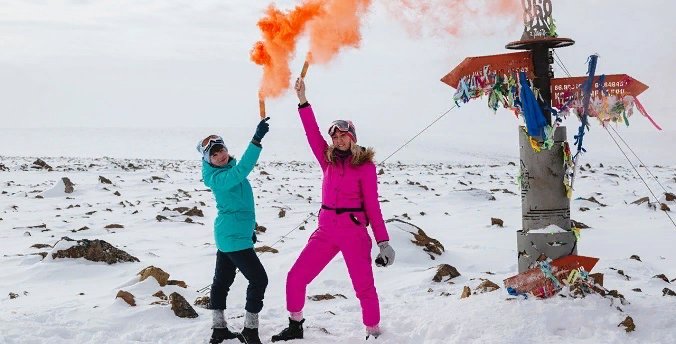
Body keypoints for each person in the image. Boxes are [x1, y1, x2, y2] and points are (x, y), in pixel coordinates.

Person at [271, 78, 396, 341]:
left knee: (364, 287)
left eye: (343, 136)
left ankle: (373, 331)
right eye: (335, 137)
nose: (338, 140)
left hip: (353, 231)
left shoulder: (365, 166)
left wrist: (383, 242)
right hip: (326, 230)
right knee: (295, 277)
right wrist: (303, 100)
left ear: (352, 137)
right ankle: (295, 325)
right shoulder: (326, 160)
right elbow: (311, 133)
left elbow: (372, 206)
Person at [197, 118, 270, 344]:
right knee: (259, 280)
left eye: (222, 150)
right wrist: (256, 140)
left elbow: (242, 205)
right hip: (232, 237)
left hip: (232, 235)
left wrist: (250, 230)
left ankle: (219, 329)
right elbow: (243, 169)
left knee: (222, 282)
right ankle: (250, 330)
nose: (221, 156)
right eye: (215, 154)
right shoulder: (219, 177)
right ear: (208, 160)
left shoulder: (226, 170)